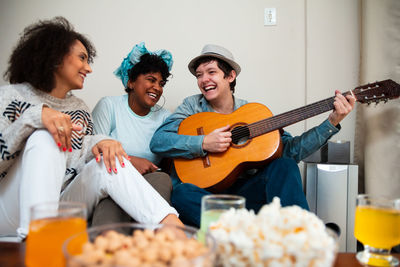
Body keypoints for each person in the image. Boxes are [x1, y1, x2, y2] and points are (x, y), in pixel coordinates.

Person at [0, 17, 182, 240]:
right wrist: (35, 117)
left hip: (60, 206)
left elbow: (77, 161)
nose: (88, 68)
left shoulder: (78, 108)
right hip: (10, 208)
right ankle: (39, 241)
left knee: (109, 159)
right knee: (45, 137)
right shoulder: (10, 97)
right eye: (82, 58)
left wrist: (100, 142)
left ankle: (172, 228)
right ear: (55, 56)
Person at [150, 44, 356, 227]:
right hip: (207, 196)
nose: (204, 80)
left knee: (285, 166)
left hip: (247, 194)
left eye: (211, 72)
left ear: (230, 76)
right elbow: (159, 141)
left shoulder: (253, 113)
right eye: (199, 75)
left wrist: (332, 122)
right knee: (181, 193)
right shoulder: (191, 106)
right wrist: (203, 142)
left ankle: (298, 239)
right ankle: (252, 228)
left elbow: (291, 151)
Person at [91, 43, 174, 224]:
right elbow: (92, 153)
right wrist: (130, 162)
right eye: (151, 80)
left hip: (150, 183)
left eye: (161, 83)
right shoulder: (109, 106)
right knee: (109, 221)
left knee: (162, 179)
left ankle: (152, 243)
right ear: (131, 82)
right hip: (113, 180)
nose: (157, 88)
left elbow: (170, 159)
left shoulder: (165, 117)